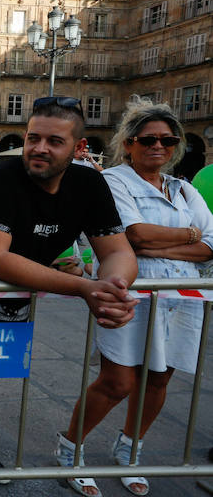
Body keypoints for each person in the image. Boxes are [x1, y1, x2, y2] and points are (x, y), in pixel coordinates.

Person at [0, 96, 138, 497]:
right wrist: (85, 287)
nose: (39, 148)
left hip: (27, 281)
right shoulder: (2, 178)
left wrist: (113, 288)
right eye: (33, 138)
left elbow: (117, 251)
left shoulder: (88, 183)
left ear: (78, 148)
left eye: (54, 141)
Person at [58, 99, 213, 497]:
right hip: (131, 293)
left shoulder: (185, 188)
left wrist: (163, 244)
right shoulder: (112, 182)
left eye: (167, 139)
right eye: (148, 139)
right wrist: (186, 236)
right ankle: (70, 450)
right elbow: (133, 236)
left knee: (159, 380)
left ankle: (130, 452)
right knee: (117, 381)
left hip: (184, 297)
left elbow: (211, 245)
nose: (158, 146)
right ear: (129, 143)